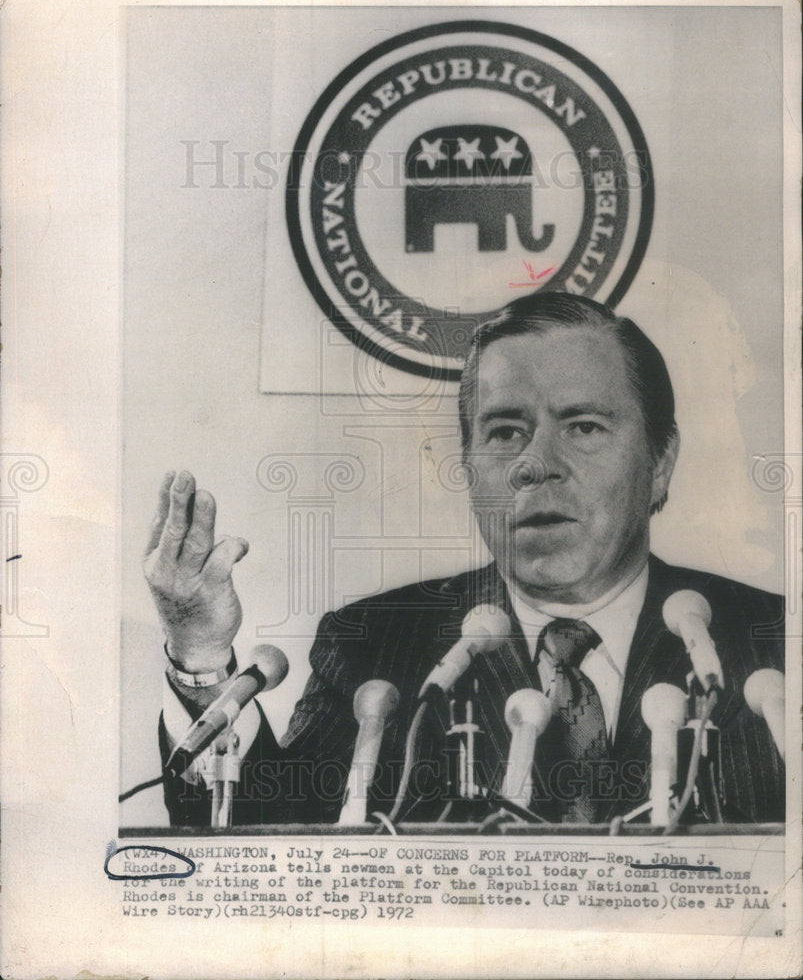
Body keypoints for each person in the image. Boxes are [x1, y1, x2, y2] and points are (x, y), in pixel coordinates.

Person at [146, 292, 785, 827]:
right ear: (470, 469)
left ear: (659, 463)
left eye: (583, 427)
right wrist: (199, 656)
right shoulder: (375, 647)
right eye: (505, 432)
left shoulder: (777, 648)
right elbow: (275, 848)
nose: (536, 464)